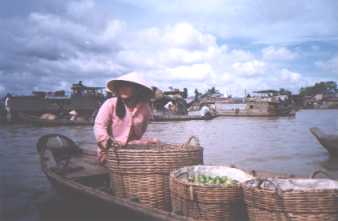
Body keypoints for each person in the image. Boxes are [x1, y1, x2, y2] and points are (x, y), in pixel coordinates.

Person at [94, 72, 159, 164]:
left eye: (127, 86)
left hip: (132, 149)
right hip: (110, 150)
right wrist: (107, 146)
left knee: (155, 142)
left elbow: (141, 132)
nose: (123, 89)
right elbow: (99, 127)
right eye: (121, 86)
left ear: (137, 89)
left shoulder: (145, 108)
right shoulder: (110, 104)